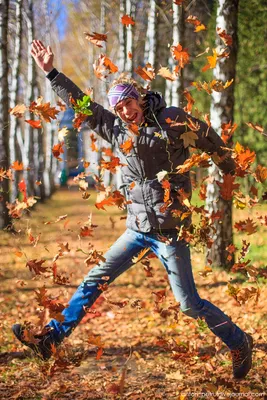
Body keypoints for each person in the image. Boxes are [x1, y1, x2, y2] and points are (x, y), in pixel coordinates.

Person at [12, 40, 253, 379]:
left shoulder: (172, 119)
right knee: (96, 279)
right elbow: (82, 103)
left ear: (138, 97)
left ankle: (239, 340)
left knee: (189, 304)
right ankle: (53, 338)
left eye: (128, 102)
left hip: (170, 231)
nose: (125, 110)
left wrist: (230, 168)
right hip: (138, 228)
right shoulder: (116, 128)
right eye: (118, 106)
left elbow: (209, 137)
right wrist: (52, 72)